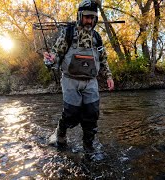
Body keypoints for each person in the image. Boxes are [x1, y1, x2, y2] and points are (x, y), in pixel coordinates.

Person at [43, 0, 114, 152]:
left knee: (92, 115)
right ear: (80, 16)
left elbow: (103, 59)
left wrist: (109, 76)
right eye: (86, 17)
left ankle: (88, 149)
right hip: (70, 80)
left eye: (92, 18)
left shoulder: (97, 38)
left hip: (91, 82)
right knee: (71, 114)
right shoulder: (68, 33)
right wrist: (50, 59)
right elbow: (56, 53)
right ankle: (60, 132)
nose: (89, 21)